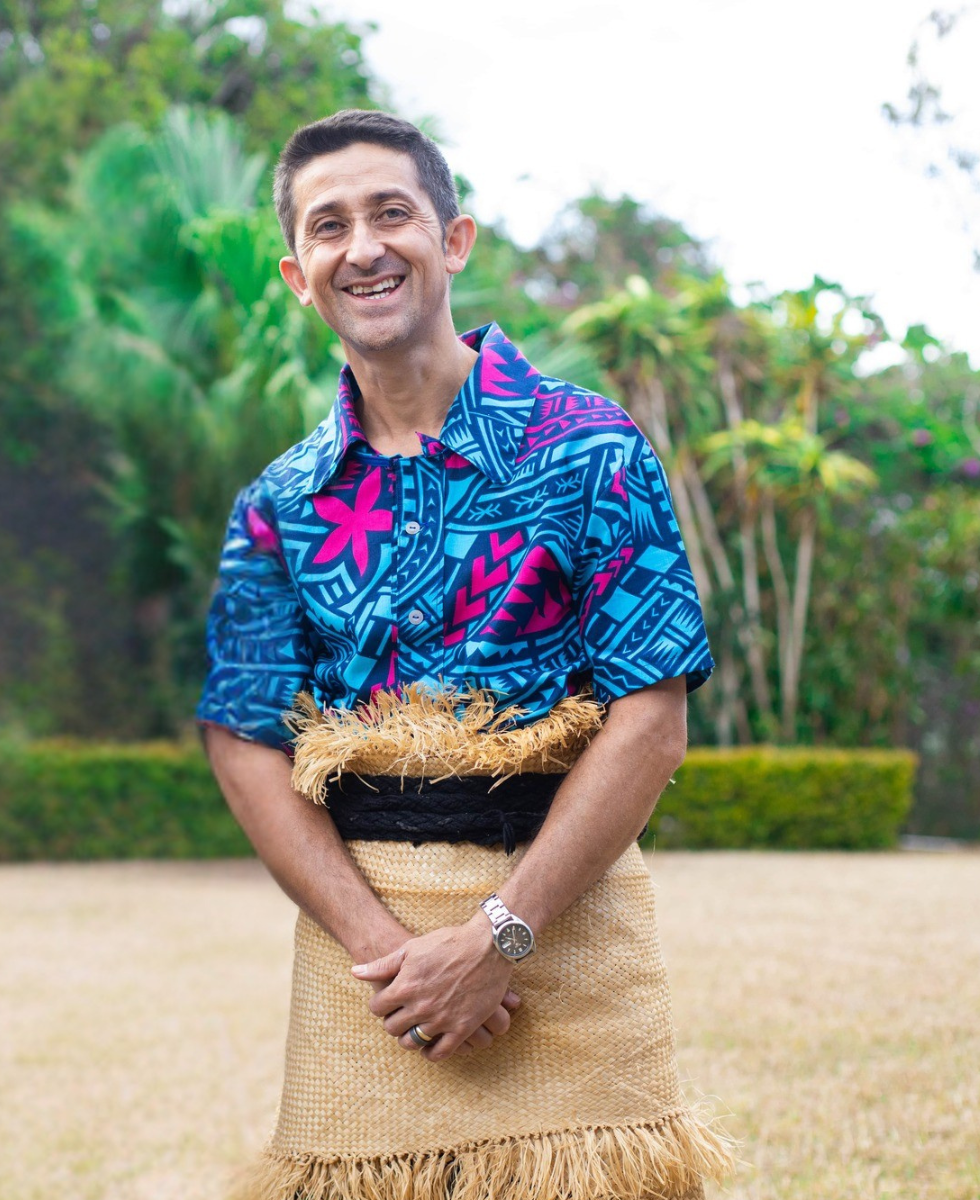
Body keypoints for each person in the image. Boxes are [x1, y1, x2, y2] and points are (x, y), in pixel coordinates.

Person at [196, 109, 735, 1200]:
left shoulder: (590, 450)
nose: (365, 247)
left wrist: (502, 937)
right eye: (331, 226)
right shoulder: (280, 504)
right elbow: (244, 740)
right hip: (371, 983)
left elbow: (652, 716)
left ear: (455, 240)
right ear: (301, 276)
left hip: (574, 946)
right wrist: (388, 951)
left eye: (392, 212)